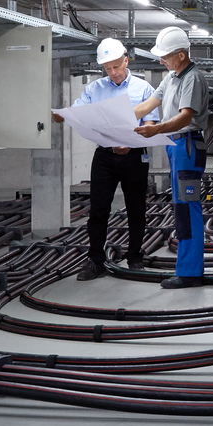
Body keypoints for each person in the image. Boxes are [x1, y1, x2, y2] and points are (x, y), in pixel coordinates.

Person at [56, 37, 156, 281]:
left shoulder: (143, 89)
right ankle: (96, 260)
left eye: (116, 67)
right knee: (98, 209)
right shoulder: (94, 89)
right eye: (107, 69)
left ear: (126, 60)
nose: (113, 73)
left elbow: (151, 122)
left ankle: (135, 257)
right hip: (104, 156)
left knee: (136, 208)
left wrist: (130, 140)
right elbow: (80, 114)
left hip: (134, 155)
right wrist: (63, 116)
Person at [133, 25, 208, 288]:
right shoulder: (172, 77)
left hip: (187, 147)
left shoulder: (192, 78)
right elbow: (147, 105)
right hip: (175, 146)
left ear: (181, 55)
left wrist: (156, 129)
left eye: (165, 56)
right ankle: (186, 269)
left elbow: (186, 116)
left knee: (188, 209)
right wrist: (115, 119)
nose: (161, 60)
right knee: (181, 208)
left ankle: (190, 273)